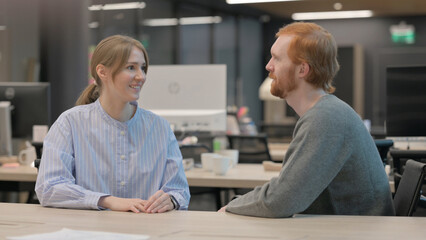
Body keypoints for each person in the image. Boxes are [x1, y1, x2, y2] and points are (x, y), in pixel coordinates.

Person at [219, 22, 395, 217]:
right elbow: (286, 192)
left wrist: (231, 206)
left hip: (359, 233)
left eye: (277, 59)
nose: (269, 66)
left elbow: (281, 200)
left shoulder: (326, 117)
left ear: (302, 69)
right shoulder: (324, 112)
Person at [35, 35, 190, 213]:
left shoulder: (160, 127)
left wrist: (171, 200)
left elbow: (180, 191)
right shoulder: (70, 123)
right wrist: (107, 201)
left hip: (147, 231)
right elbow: (49, 188)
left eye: (143, 68)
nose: (141, 76)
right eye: (131, 68)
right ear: (102, 72)